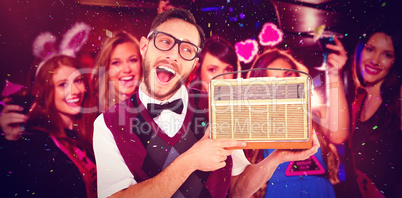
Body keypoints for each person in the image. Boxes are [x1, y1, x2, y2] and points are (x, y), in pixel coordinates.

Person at [93, 8, 319, 198]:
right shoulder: (108, 124)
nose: (173, 55)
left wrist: (278, 157)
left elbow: (238, 189)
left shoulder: (219, 105)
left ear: (193, 64)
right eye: (165, 42)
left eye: (187, 50)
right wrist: (191, 160)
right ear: (144, 47)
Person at [246, 47, 349, 198]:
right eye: (273, 81)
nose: (284, 84)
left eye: (288, 75)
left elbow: (339, 135)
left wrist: (334, 73)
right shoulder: (255, 126)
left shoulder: (316, 114)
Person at [0, 55, 97, 197]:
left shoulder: (87, 129)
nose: (75, 91)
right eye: (63, 84)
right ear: (47, 92)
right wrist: (9, 142)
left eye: (77, 81)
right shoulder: (39, 141)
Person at [346, 18, 402, 197]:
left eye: (387, 55)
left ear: (396, 61)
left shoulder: (398, 99)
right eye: (370, 49)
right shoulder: (358, 100)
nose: (375, 61)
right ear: (361, 51)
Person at [91, 30, 142, 113]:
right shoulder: (95, 113)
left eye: (132, 60)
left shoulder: (156, 105)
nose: (127, 70)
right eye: (116, 63)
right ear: (106, 69)